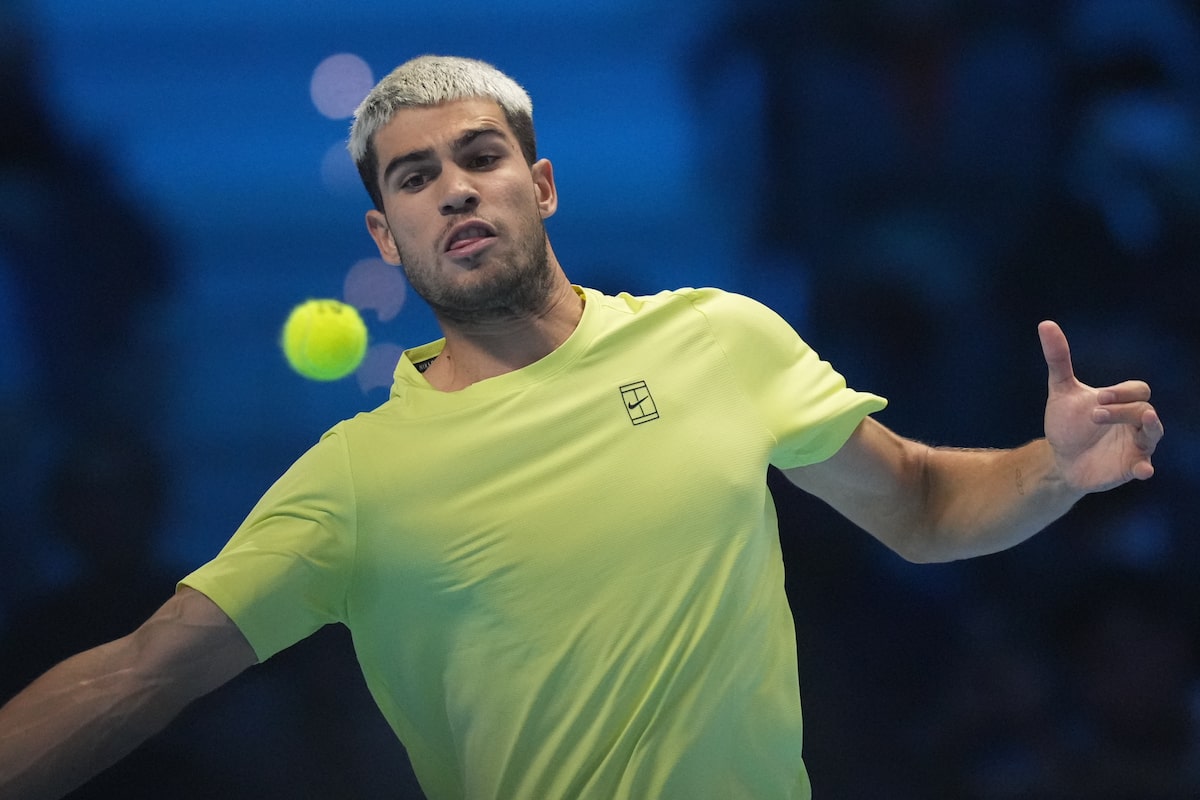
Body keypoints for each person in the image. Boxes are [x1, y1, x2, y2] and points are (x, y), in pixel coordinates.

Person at [0, 55, 1163, 800]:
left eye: (480, 156)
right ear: (385, 235)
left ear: (543, 184)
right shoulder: (355, 477)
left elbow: (918, 502)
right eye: (415, 177)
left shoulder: (717, 338)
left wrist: (1051, 467)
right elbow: (140, 672)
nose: (456, 188)